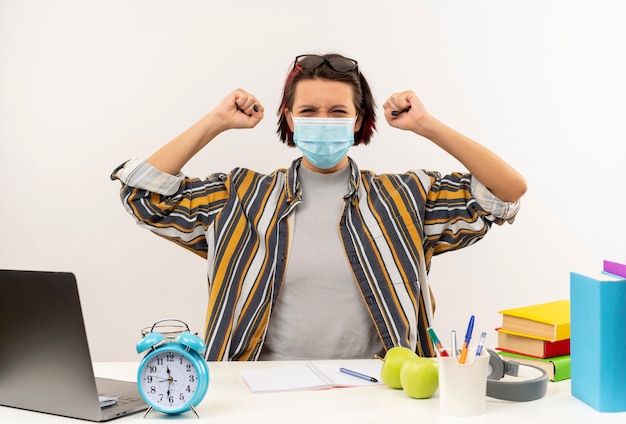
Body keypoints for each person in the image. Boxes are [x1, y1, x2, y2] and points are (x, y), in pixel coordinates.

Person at [111, 53, 527, 361]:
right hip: (255, 393)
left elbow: (505, 191)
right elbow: (144, 197)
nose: (322, 120)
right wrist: (216, 121)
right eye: (308, 111)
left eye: (337, 111)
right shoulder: (240, 196)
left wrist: (426, 124)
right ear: (289, 118)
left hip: (380, 394)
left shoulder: (407, 197)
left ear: (357, 119)